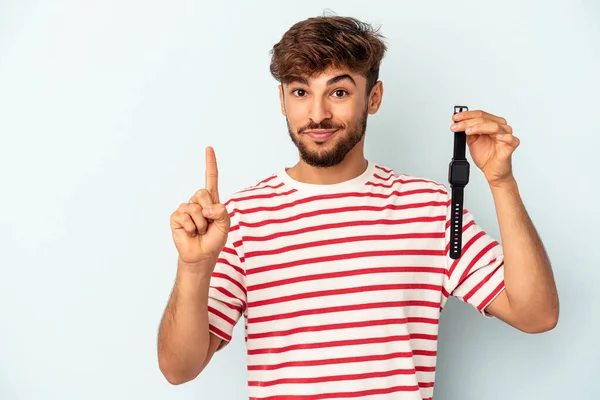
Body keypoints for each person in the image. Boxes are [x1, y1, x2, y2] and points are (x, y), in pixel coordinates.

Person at [157, 14, 559, 400]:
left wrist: (501, 182)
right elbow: (179, 369)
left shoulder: (429, 208)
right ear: (282, 100)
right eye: (300, 92)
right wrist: (193, 267)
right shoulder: (239, 219)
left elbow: (536, 314)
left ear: (374, 97)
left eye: (338, 92)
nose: (317, 114)